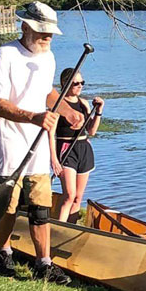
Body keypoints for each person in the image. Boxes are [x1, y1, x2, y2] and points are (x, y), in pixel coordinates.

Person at [0, 1, 83, 283]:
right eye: (41, 32)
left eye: (49, 33)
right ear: (25, 27)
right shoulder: (4, 55)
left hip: (37, 145)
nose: (47, 37)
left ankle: (43, 264)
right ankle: (3, 253)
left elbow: (46, 92)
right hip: (6, 145)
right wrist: (33, 117)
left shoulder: (47, 57)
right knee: (7, 206)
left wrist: (67, 110)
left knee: (40, 207)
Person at [53, 67, 104, 222]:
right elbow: (50, 133)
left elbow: (91, 131)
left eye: (82, 82)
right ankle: (58, 229)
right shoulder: (59, 104)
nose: (80, 86)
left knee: (77, 197)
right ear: (65, 83)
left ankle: (71, 228)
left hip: (84, 150)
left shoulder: (83, 103)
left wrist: (99, 112)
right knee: (69, 195)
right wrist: (54, 159)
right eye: (76, 83)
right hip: (66, 149)